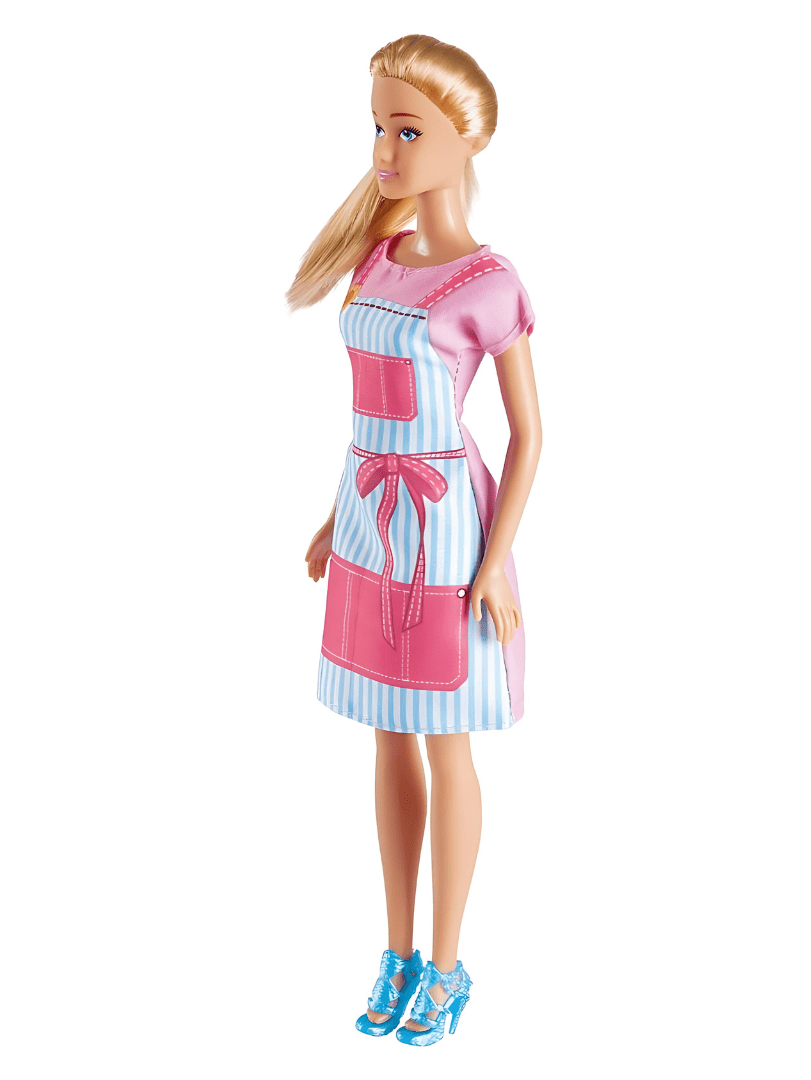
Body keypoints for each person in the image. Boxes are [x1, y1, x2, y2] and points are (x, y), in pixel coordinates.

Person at [286, 34, 542, 1046]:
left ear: (464, 139)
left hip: (442, 530)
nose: (384, 152)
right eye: (379, 128)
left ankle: (447, 963)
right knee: (386, 733)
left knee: (445, 738)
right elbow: (368, 416)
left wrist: (495, 561)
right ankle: (395, 951)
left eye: (407, 130)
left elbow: (529, 434)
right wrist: (332, 516)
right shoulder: (376, 261)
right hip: (367, 515)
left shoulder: (488, 282)